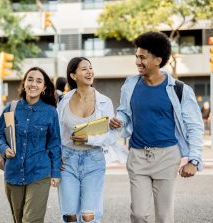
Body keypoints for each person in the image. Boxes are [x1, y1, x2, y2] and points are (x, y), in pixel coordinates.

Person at [109, 31, 204, 223]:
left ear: (158, 60)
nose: (137, 61)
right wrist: (118, 120)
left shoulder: (180, 89)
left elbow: (194, 126)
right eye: (136, 56)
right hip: (137, 156)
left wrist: (193, 161)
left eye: (142, 57)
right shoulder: (131, 83)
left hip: (167, 156)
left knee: (163, 216)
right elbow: (125, 112)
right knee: (138, 214)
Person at [57, 57, 127, 223]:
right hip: (67, 161)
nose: (89, 72)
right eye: (84, 69)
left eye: (90, 68)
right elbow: (57, 134)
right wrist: (55, 156)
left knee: (89, 216)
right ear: (73, 76)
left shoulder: (104, 102)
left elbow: (111, 136)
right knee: (69, 215)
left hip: (93, 160)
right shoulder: (63, 101)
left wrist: (90, 138)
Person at [0, 67, 62, 223]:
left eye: (39, 81)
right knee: (19, 220)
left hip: (39, 173)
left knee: (31, 220)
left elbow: (55, 144)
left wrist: (56, 172)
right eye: (30, 79)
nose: (33, 84)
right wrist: (5, 149)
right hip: (13, 174)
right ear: (24, 83)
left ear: (44, 88)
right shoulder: (11, 108)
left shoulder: (50, 112)